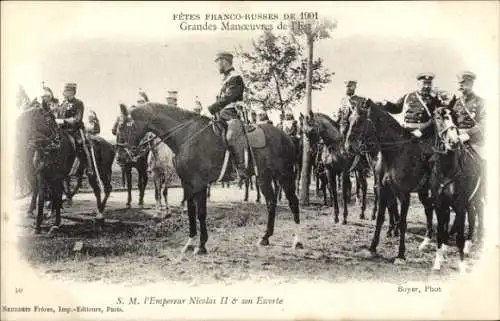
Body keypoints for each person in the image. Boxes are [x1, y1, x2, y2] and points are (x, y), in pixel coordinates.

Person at [206, 51, 248, 182]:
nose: (217, 66)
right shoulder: (224, 79)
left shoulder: (236, 77)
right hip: (220, 115)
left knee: (231, 136)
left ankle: (240, 169)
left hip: (232, 114)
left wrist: (211, 109)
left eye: (218, 62)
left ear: (224, 61)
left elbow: (229, 97)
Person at [381, 73, 443, 138]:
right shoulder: (408, 96)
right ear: (418, 84)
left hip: (424, 135)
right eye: (424, 83)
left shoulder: (434, 100)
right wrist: (385, 104)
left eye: (429, 84)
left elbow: (438, 120)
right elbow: (396, 109)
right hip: (406, 132)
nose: (427, 86)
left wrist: (422, 131)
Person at [55, 83, 94, 175]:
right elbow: (58, 116)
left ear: (72, 92)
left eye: (66, 91)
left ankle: (88, 167)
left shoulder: (78, 103)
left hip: (75, 130)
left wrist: (63, 121)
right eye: (64, 91)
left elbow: (77, 119)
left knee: (82, 145)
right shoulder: (63, 104)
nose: (64, 93)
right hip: (62, 130)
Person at [447, 71, 485, 159]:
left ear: (471, 84)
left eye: (464, 83)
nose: (460, 85)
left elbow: (485, 123)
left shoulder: (480, 102)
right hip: (457, 139)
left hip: (474, 141)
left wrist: (468, 134)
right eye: (459, 83)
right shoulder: (455, 102)